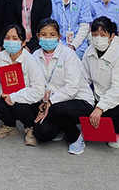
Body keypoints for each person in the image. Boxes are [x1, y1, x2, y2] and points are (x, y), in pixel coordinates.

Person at [30, 18, 94, 153]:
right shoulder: (35, 55)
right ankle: (61, 126)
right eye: (43, 35)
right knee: (42, 133)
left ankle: (76, 137)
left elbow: (72, 87)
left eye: (52, 35)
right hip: (51, 102)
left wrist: (51, 102)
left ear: (59, 37)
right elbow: (35, 82)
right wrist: (43, 101)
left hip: (79, 100)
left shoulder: (68, 55)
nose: (48, 38)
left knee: (57, 109)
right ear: (38, 36)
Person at [80, 16, 119, 149]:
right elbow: (84, 79)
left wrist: (100, 108)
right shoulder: (89, 51)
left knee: (109, 115)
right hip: (98, 97)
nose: (98, 38)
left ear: (111, 36)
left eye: (103, 35)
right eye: (95, 34)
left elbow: (118, 89)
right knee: (78, 108)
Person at [0, 23, 45, 144]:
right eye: (7, 38)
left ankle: (30, 128)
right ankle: (9, 125)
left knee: (20, 106)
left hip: (27, 101)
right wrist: (2, 92)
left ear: (23, 42)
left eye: (15, 38)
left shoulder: (30, 60)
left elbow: (38, 90)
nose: (11, 41)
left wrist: (14, 97)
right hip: (6, 96)